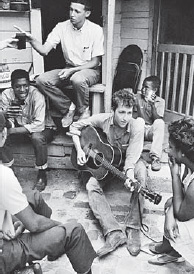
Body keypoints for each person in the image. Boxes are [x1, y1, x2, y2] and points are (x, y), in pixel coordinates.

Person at [0, 111, 96, 274]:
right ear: (3, 134)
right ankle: (59, 240)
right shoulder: (3, 175)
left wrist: (6, 223)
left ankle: (54, 246)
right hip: (4, 254)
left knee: (34, 197)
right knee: (74, 232)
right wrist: (60, 226)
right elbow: (34, 224)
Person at [69, 88, 148, 257]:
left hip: (130, 163)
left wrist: (130, 175)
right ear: (113, 111)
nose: (125, 117)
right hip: (107, 162)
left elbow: (133, 156)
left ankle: (133, 228)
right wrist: (80, 150)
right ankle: (113, 233)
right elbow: (74, 127)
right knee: (91, 185)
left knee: (141, 176)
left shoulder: (137, 125)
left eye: (129, 112)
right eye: (121, 112)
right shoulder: (103, 119)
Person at [14, 0, 104, 128]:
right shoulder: (62, 27)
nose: (72, 14)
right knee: (42, 80)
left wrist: (72, 71)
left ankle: (84, 111)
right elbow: (44, 51)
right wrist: (32, 40)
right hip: (69, 68)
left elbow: (95, 62)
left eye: (77, 11)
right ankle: (68, 108)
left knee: (77, 79)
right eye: (71, 10)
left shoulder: (96, 30)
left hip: (89, 70)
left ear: (87, 13)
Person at [148, 118, 194, 266]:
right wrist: (169, 213)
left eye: (171, 147)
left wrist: (174, 175)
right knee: (170, 204)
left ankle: (176, 252)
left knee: (176, 222)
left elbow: (181, 214)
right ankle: (169, 248)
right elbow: (179, 199)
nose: (167, 150)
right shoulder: (189, 162)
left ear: (181, 153)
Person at [1, 69, 56, 192]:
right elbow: (6, 121)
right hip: (21, 127)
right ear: (12, 86)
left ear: (29, 85)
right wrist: (5, 115)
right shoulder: (6, 94)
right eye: (18, 86)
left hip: (44, 128)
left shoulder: (36, 95)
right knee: (1, 134)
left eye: (25, 86)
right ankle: (10, 172)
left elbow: (39, 125)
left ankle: (42, 173)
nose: (22, 90)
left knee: (37, 137)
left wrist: (12, 131)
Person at [133, 76, 165, 171]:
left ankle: (155, 158)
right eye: (142, 86)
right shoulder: (136, 97)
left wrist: (152, 105)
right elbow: (135, 117)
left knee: (160, 123)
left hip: (150, 131)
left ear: (154, 90)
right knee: (139, 121)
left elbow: (157, 119)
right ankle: (136, 154)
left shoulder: (160, 101)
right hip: (139, 129)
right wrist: (139, 104)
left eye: (146, 87)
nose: (143, 89)